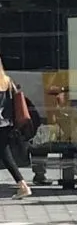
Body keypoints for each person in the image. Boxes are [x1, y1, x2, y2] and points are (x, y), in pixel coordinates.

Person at [0, 58, 32, 200]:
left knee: (6, 156)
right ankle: (23, 185)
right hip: (6, 124)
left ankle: (23, 185)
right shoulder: (7, 81)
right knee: (6, 156)